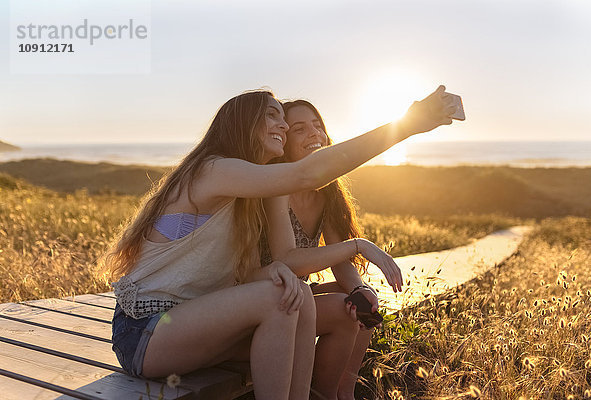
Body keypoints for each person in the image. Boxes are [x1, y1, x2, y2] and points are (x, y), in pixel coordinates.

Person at [105, 87, 455, 400]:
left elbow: (254, 269)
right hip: (145, 333)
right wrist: (406, 125)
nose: (284, 126)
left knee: (296, 293)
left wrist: (274, 269)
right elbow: (308, 172)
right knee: (281, 296)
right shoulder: (214, 170)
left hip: (194, 325)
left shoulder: (252, 193)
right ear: (243, 123)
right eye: (272, 115)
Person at [259, 99, 399, 400]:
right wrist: (360, 245)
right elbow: (289, 261)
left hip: (297, 295)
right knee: (341, 310)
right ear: (283, 142)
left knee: (361, 303)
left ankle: (344, 392)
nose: (314, 134)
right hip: (265, 299)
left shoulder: (326, 192)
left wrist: (361, 287)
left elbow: (340, 258)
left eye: (317, 126)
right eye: (299, 129)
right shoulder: (276, 187)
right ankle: (322, 395)